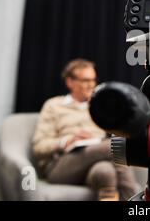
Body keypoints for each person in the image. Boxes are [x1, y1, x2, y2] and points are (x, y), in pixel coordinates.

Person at [32, 59, 140, 201]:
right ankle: (135, 203)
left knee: (105, 172)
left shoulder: (99, 106)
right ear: (70, 82)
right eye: (85, 80)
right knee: (113, 146)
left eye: (93, 80)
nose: (91, 85)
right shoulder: (54, 105)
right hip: (61, 165)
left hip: (93, 163)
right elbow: (39, 147)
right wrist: (67, 140)